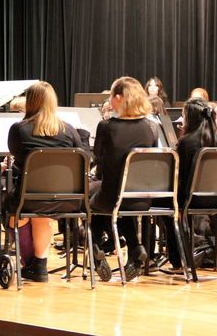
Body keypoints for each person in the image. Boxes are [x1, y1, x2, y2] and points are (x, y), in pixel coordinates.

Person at [5, 82, 83, 282]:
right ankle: (39, 265)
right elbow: (83, 158)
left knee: (14, 209)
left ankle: (31, 264)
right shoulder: (70, 130)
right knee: (42, 214)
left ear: (30, 102)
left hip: (28, 197)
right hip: (67, 199)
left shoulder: (19, 129)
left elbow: (17, 159)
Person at [90, 76, 159, 282]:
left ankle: (95, 247)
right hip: (142, 197)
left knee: (92, 202)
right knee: (122, 202)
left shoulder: (106, 126)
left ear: (118, 98)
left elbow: (99, 158)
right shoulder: (151, 127)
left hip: (112, 196)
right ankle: (135, 246)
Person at [161, 98, 217, 269]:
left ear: (189, 118)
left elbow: (177, 175)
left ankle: (178, 258)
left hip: (190, 199)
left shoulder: (185, 142)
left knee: (161, 205)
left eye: (183, 115)